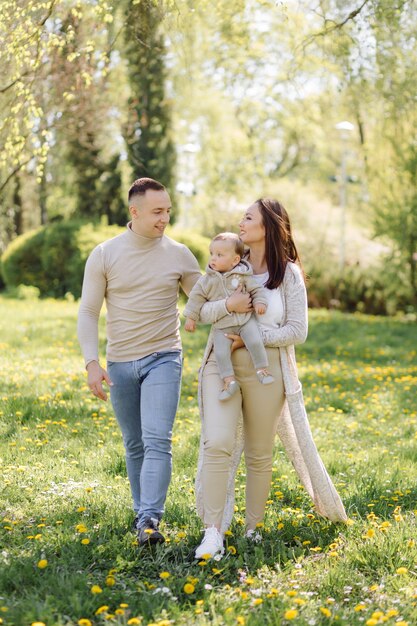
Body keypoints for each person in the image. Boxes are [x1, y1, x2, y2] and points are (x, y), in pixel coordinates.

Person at [194, 198, 347, 559]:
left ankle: (253, 529)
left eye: (249, 217)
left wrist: (251, 337)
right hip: (222, 364)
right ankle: (212, 532)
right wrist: (228, 308)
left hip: (268, 371)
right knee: (217, 442)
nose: (241, 222)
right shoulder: (229, 263)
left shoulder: (288, 274)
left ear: (268, 227)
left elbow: (298, 330)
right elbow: (201, 309)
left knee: (259, 453)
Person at [77, 177, 201, 546]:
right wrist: (91, 363)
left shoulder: (179, 254)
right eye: (157, 211)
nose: (165, 218)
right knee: (134, 443)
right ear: (135, 212)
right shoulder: (105, 254)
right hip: (119, 363)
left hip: (164, 357)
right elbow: (88, 312)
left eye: (168, 211)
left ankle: (150, 517)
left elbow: (205, 301)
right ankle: (140, 513)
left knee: (157, 439)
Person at [184, 232, 274, 401]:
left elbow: (256, 290)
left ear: (235, 260)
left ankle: (262, 369)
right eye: (212, 254)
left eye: (219, 255)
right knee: (220, 353)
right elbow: (195, 298)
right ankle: (229, 381)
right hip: (222, 326)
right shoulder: (207, 280)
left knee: (255, 341)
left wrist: (260, 303)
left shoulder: (243, 275)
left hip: (245, 321)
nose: (213, 259)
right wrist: (190, 317)